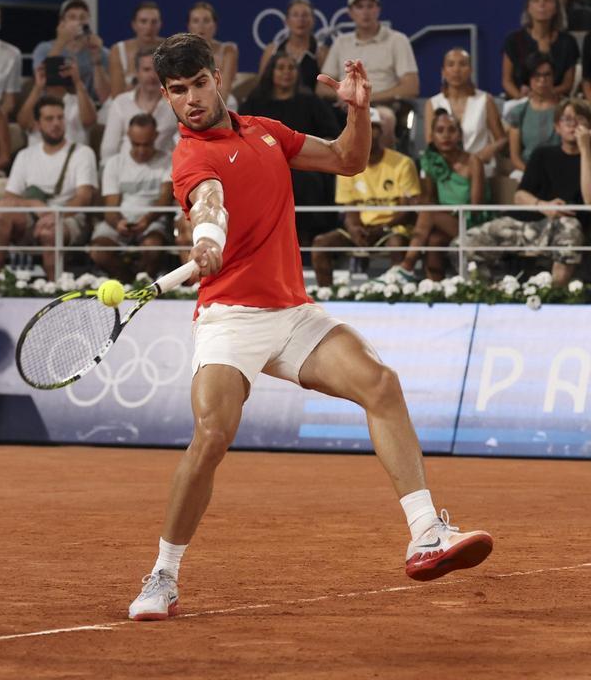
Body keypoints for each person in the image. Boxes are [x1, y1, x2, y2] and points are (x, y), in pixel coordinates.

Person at [126, 33, 491, 623]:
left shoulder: (267, 131)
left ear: (217, 78)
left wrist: (359, 110)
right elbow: (208, 204)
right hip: (231, 319)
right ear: (167, 97)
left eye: (198, 83)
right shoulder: (192, 157)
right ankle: (163, 574)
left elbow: (350, 159)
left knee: (380, 383)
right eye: (176, 91)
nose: (190, 99)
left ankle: (426, 533)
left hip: (293, 314)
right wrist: (207, 239)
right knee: (213, 435)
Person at [462, 97, 590, 287]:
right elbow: (520, 196)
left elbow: (589, 201)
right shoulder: (542, 154)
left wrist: (586, 149)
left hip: (568, 227)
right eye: (567, 119)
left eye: (580, 120)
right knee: (464, 243)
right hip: (530, 222)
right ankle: (493, 292)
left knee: (569, 232)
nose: (573, 125)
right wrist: (543, 206)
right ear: (557, 127)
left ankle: (553, 296)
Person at [0, 95, 98, 280]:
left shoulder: (82, 153)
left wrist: (55, 215)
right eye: (49, 119)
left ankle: (52, 288)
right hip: (32, 218)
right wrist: (33, 204)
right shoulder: (25, 155)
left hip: (69, 219)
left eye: (60, 118)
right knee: (1, 215)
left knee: (49, 232)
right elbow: (9, 199)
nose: (56, 123)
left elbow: (83, 197)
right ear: (38, 124)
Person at [311, 106, 422, 288]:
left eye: (372, 128)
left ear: (380, 131)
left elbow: (408, 209)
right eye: (359, 129)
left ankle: (398, 294)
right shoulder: (346, 165)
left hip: (392, 228)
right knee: (321, 244)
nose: (366, 133)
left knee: (396, 243)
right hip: (362, 228)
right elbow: (350, 209)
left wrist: (383, 227)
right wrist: (354, 229)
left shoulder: (403, 163)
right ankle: (327, 297)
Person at [240, 53, 342, 247]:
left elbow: (332, 137)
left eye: (291, 68)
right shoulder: (254, 102)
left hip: (305, 164)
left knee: (305, 179)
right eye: (281, 68)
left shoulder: (311, 102)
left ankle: (304, 237)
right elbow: (240, 137)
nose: (286, 73)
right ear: (271, 72)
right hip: (263, 165)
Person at [387, 109, 486, 282]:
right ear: (432, 136)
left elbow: (475, 207)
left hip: (470, 222)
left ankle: (407, 266)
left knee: (430, 213)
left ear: (460, 135)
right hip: (443, 222)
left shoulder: (473, 161)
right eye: (440, 131)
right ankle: (435, 288)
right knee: (433, 240)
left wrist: (435, 211)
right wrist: (415, 201)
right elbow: (428, 199)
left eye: (451, 130)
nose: (446, 136)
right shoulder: (429, 162)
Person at [89, 114, 174, 280]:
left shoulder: (167, 161)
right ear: (128, 136)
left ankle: (143, 285)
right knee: (98, 251)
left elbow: (165, 198)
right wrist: (118, 223)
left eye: (146, 144)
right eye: (136, 144)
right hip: (121, 221)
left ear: (155, 136)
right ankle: (127, 282)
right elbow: (111, 207)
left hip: (153, 222)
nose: (141, 150)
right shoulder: (115, 163)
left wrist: (147, 220)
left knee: (153, 247)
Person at [318, 0, 419, 107]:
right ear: (350, 12)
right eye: (359, 7)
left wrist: (368, 99)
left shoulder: (397, 40)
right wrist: (346, 96)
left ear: (378, 9)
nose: (365, 12)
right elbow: (321, 87)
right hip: (344, 107)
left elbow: (411, 87)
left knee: (381, 117)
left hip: (381, 106)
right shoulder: (341, 42)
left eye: (370, 6)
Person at [424, 48, 507, 174]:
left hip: (478, 165)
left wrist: (488, 151)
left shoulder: (485, 100)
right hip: (444, 166)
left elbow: (502, 139)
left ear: (470, 70)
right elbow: (431, 141)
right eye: (451, 65)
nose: (456, 70)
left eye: (462, 64)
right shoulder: (433, 103)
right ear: (443, 72)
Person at [501, 0, 579, 100]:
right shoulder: (513, 40)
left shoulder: (568, 42)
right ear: (529, 8)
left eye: (547, 0)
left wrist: (542, 94)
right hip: (521, 100)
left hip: (556, 101)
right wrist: (521, 99)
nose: (541, 4)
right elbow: (507, 81)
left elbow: (567, 84)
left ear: (556, 8)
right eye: (536, 0)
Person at [101, 49, 179, 162]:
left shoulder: (175, 103)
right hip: (125, 172)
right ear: (137, 73)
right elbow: (108, 150)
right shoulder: (120, 103)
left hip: (163, 172)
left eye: (156, 70)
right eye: (146, 70)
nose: (152, 75)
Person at [32, 0, 110, 104]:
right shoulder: (44, 49)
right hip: (53, 106)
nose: (78, 22)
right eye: (72, 17)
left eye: (83, 17)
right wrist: (60, 42)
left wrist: (97, 60)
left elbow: (105, 97)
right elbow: (44, 81)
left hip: (91, 108)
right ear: (62, 22)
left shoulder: (102, 52)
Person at [16, 56, 97, 149]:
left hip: (73, 158)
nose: (55, 75)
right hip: (38, 159)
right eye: (51, 72)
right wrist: (37, 87)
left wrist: (77, 82)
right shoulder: (35, 103)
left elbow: (89, 121)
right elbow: (23, 124)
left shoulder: (80, 101)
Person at [258, 0, 329, 93]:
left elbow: (326, 88)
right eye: (295, 15)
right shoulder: (272, 50)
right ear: (287, 21)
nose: (301, 20)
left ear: (313, 21)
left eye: (305, 15)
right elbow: (261, 85)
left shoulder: (321, 53)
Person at [505, 53, 563, 174]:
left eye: (547, 75)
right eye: (536, 75)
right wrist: (532, 174)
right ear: (528, 78)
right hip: (528, 170)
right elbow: (515, 157)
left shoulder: (567, 108)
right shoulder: (519, 111)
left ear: (554, 77)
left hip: (562, 169)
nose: (542, 80)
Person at [108, 1, 164, 98]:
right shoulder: (117, 50)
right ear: (134, 24)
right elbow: (116, 95)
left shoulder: (171, 47)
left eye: (154, 22)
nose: (149, 27)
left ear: (160, 24)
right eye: (143, 21)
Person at [187, 2, 239, 105]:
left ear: (214, 25)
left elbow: (224, 90)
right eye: (196, 21)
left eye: (206, 21)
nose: (201, 26)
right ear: (189, 26)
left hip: (223, 103)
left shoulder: (228, 50)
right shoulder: (180, 52)